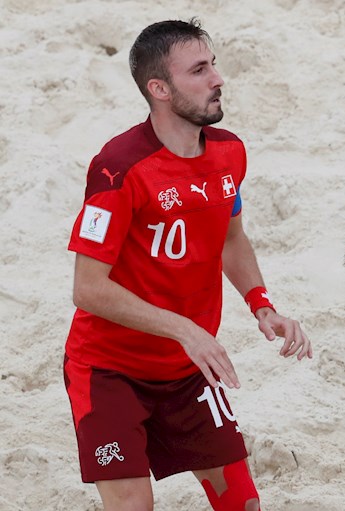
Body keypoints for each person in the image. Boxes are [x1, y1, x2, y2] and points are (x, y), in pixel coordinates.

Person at [63, 18, 312, 511]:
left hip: (187, 371)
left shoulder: (230, 152)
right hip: (109, 370)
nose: (218, 78)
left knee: (243, 505)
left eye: (213, 64)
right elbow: (87, 289)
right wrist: (185, 328)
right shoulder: (118, 168)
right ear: (159, 88)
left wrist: (261, 304)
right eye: (199, 70)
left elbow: (230, 238)